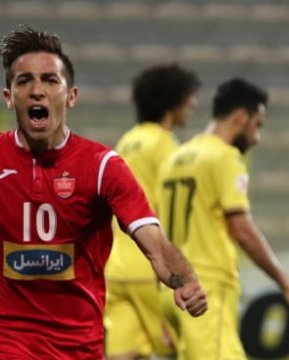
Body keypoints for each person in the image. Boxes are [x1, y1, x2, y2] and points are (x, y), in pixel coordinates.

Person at [0, 26, 207, 358]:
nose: (37, 90)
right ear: (9, 97)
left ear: (71, 96)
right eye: (24, 81)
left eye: (50, 80)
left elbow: (154, 243)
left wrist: (186, 282)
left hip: (77, 344)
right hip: (2, 339)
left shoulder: (101, 167)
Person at [158, 78, 289, 359]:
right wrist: (288, 286)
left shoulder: (174, 159)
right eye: (258, 125)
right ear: (241, 116)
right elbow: (242, 229)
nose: (257, 137)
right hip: (207, 290)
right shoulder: (224, 157)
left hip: (172, 290)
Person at [104, 64, 200, 360]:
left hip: (116, 269)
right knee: (180, 350)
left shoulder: (126, 141)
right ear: (173, 102)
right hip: (150, 268)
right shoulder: (166, 146)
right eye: (188, 97)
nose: (193, 104)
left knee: (125, 355)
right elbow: (173, 211)